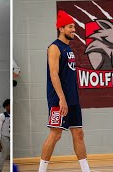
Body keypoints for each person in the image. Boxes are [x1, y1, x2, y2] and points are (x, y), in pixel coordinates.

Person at [38, 10, 91, 172]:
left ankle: (86, 170)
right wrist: (62, 98)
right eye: (70, 27)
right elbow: (54, 75)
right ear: (61, 28)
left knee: (79, 133)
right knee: (55, 135)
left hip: (72, 99)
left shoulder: (69, 49)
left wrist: (71, 97)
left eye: (74, 26)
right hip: (58, 99)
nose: (73, 30)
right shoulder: (54, 48)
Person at [0, 99, 10, 172]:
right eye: (9, 105)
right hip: (4, 137)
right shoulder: (2, 115)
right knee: (2, 156)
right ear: (6, 106)